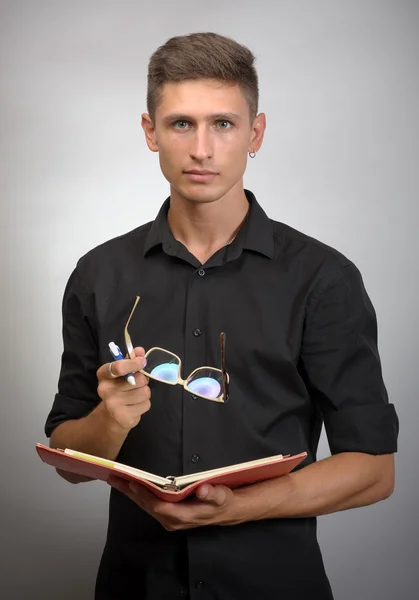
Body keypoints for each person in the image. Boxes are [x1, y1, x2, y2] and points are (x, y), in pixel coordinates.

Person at [44, 32, 399, 600]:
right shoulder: (98, 274)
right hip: (135, 586)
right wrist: (110, 421)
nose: (202, 150)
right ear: (150, 132)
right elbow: (67, 457)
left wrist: (239, 509)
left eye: (224, 124)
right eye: (181, 123)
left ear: (254, 134)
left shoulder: (322, 278)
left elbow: (373, 469)